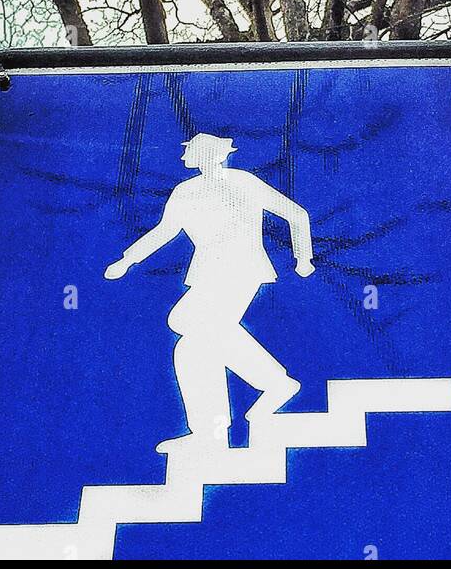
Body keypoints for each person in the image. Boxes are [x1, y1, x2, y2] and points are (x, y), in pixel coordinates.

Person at [105, 133, 314, 452]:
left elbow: (297, 215)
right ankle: (215, 428)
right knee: (193, 347)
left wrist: (304, 258)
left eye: (192, 151)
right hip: (207, 271)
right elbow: (164, 232)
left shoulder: (243, 182)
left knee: (185, 321)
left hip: (243, 267)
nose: (185, 156)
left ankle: (270, 387)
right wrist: (127, 260)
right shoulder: (184, 192)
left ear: (214, 155)